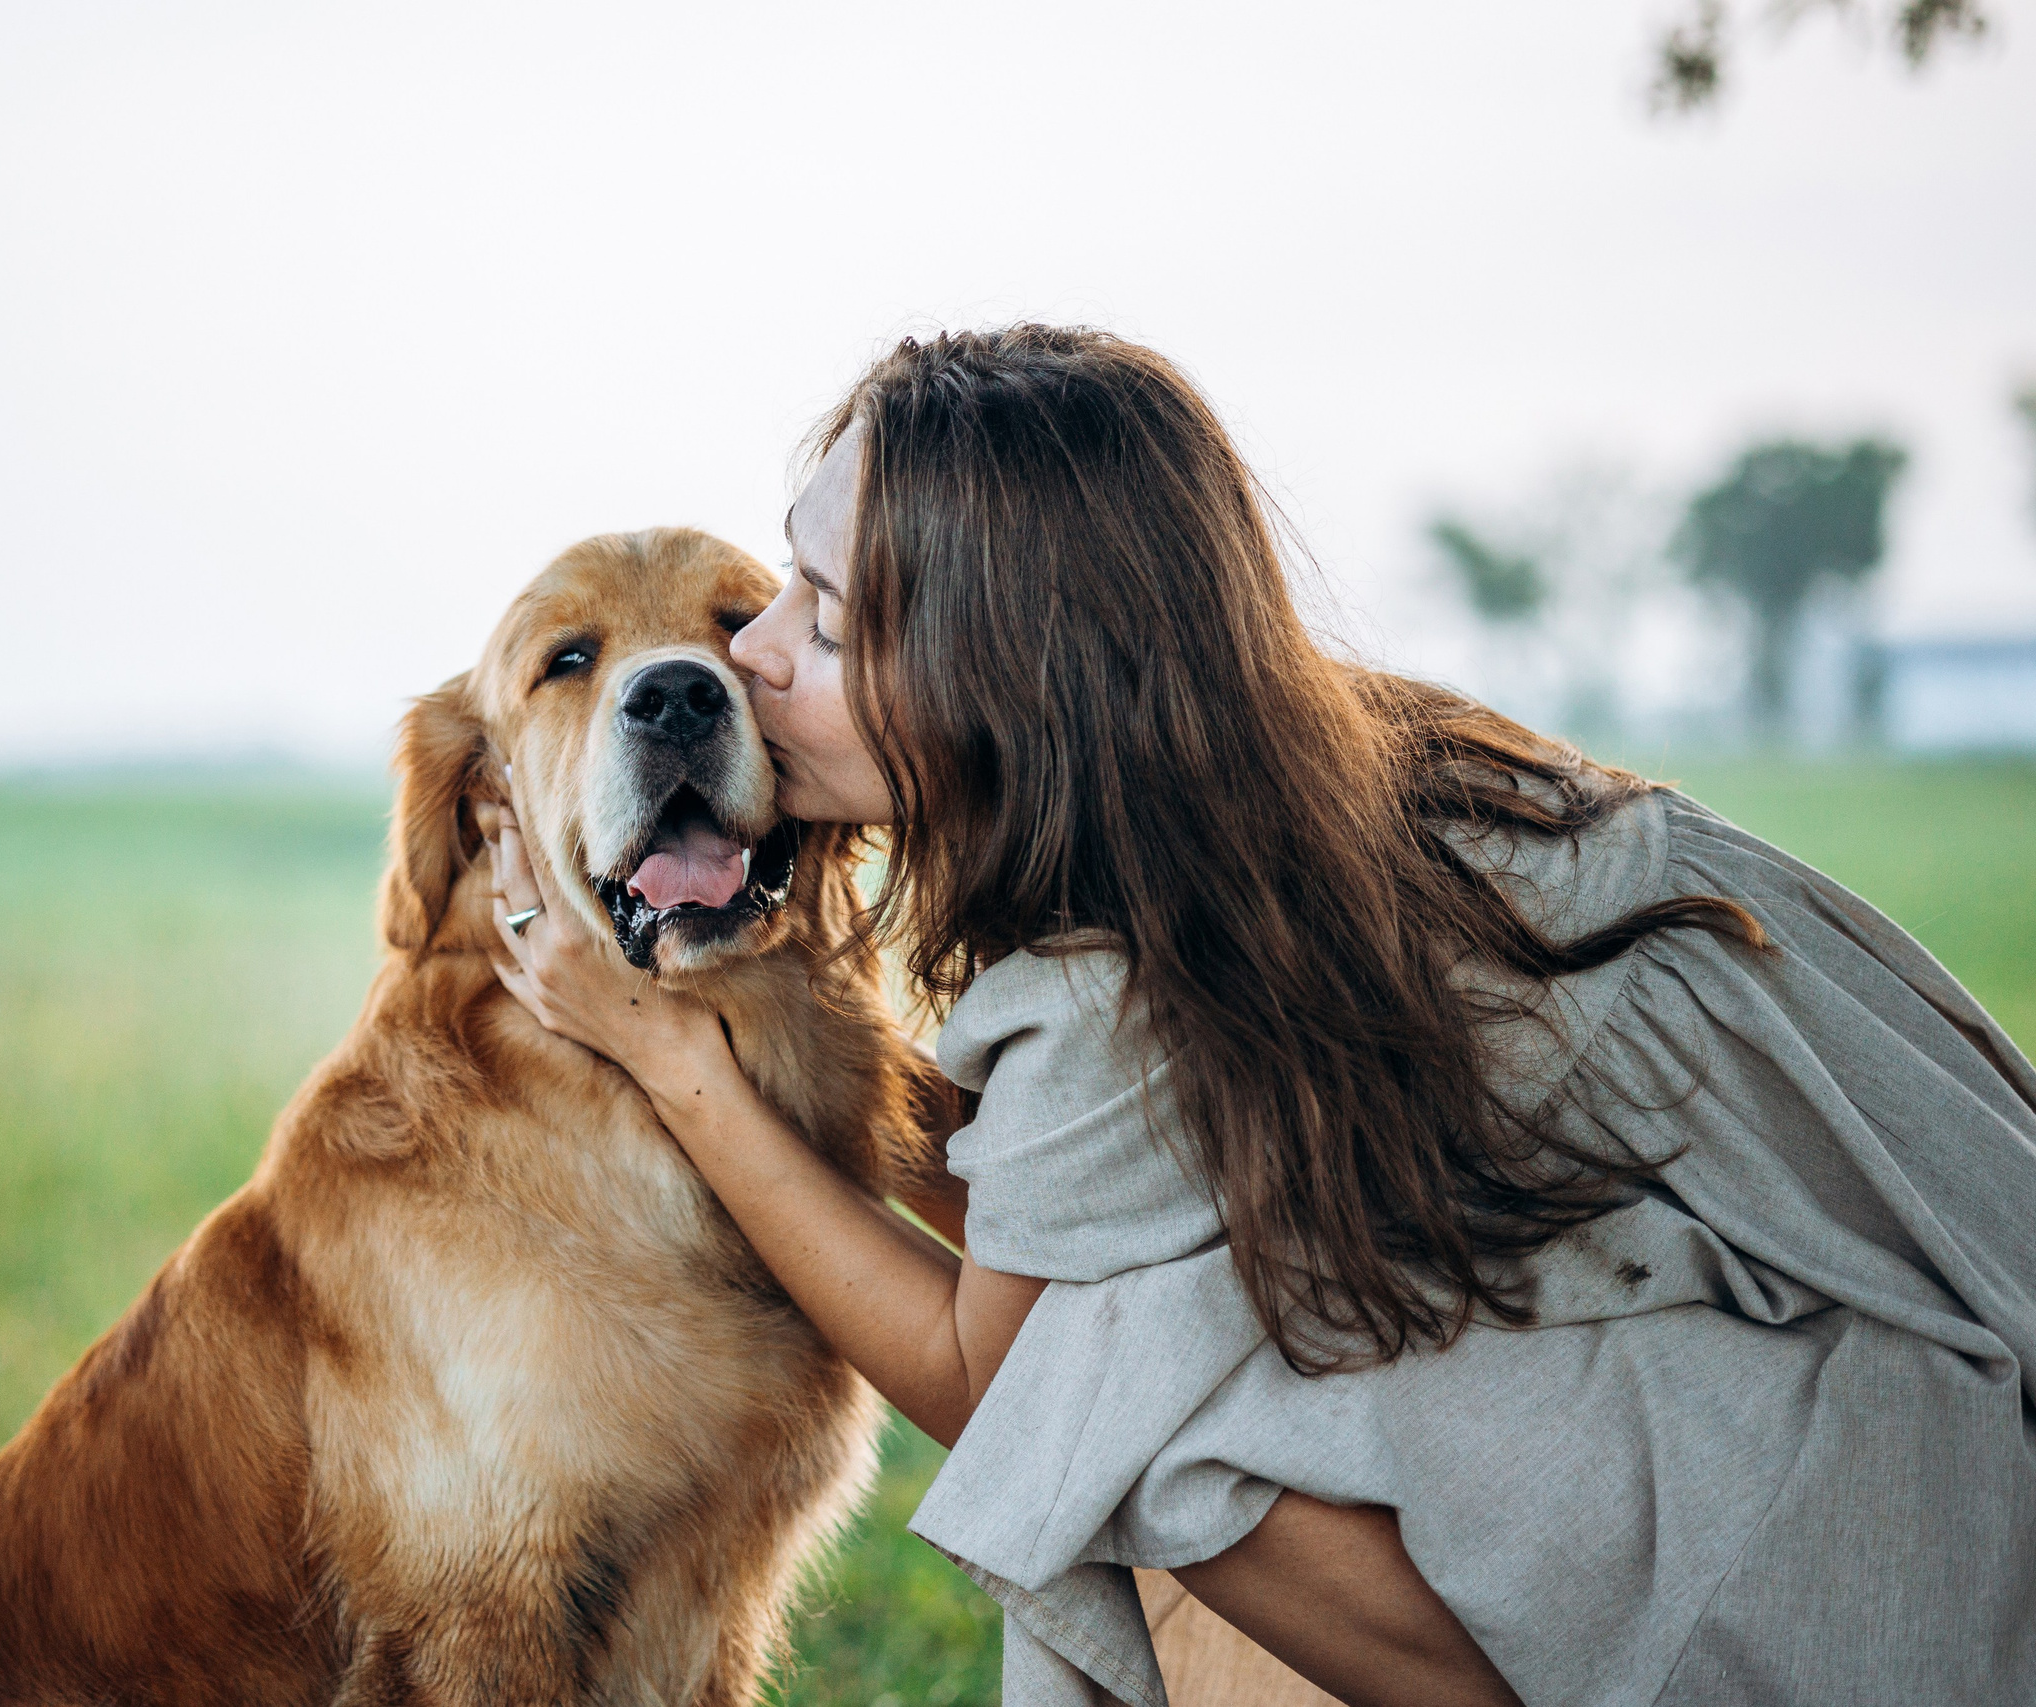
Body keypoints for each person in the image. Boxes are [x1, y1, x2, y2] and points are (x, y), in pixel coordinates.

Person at [483, 326, 2036, 1707]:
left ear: (997, 684)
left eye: (817, 621)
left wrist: (682, 1062)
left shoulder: (1123, 971)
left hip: (1866, 1517)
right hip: (1866, 1363)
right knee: (1141, 1333)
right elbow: (1077, 1222)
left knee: (1148, 1422)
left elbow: (995, 1375)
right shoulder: (1282, 795)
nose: (743, 658)